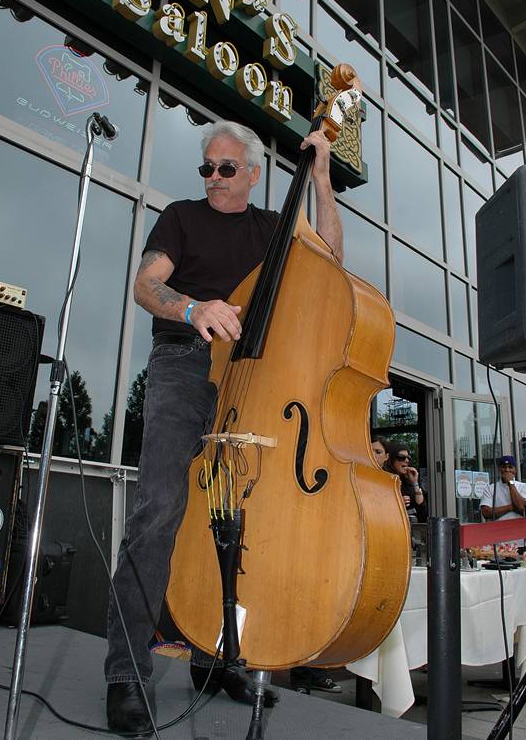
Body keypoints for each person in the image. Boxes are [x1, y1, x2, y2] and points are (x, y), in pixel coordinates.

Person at [104, 120, 344, 736]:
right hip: (184, 364)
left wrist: (320, 177)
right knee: (158, 509)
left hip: (251, 375)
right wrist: (194, 308)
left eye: (226, 168)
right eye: (207, 167)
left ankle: (216, 657)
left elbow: (332, 262)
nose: (213, 177)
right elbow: (146, 284)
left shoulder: (271, 227)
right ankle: (126, 672)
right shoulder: (180, 218)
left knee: (234, 516)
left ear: (253, 175)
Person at [480, 455, 526, 543]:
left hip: (519, 540)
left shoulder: (525, 486)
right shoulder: (490, 488)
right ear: (500, 469)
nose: (507, 470)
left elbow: (521, 507)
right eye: (504, 467)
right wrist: (511, 507)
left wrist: (510, 483)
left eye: (510, 467)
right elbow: (486, 512)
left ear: (515, 470)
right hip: (497, 540)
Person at [384, 441, 427, 523]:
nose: (406, 460)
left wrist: (415, 483)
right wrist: (397, 503)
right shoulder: (384, 480)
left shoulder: (407, 482)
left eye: (408, 458)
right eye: (401, 457)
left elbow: (422, 512)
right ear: (391, 459)